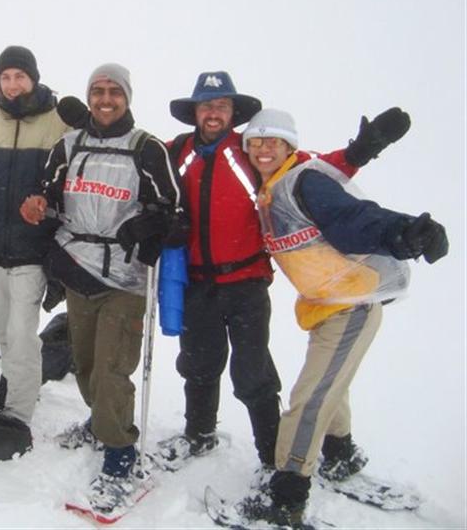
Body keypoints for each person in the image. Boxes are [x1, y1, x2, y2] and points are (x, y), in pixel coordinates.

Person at [156, 71, 411, 472]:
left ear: (233, 112)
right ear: (194, 112)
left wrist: (362, 149)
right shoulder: (176, 152)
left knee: (252, 373)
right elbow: (137, 162)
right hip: (197, 282)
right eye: (206, 105)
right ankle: (199, 434)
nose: (213, 113)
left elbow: (312, 169)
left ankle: (273, 457)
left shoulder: (250, 152)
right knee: (198, 364)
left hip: (246, 283)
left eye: (221, 105)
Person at [237, 108, 447, 526]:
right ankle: (339, 456)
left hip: (350, 307)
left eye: (272, 142)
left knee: (308, 400)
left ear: (289, 147)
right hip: (326, 305)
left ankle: (286, 498)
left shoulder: (304, 180)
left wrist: (403, 232)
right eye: (255, 143)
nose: (263, 150)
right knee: (332, 385)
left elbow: (351, 217)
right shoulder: (270, 190)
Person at [20, 63, 184, 513]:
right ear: (89, 96)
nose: (105, 99)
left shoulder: (147, 149)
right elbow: (49, 194)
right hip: (77, 266)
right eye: (98, 91)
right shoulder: (69, 145)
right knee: (88, 363)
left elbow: (173, 209)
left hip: (127, 276)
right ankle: (101, 422)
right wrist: (37, 205)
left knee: (113, 367)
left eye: (114, 92)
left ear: (127, 97)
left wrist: (147, 223)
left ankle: (120, 456)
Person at [0, 46, 69, 426]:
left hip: (33, 251)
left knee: (22, 335)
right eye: (5, 77)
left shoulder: (58, 124)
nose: (13, 84)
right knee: (3, 329)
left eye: (20, 76)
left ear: (33, 78)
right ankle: (13, 381)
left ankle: (18, 412)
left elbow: (71, 185)